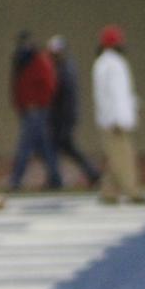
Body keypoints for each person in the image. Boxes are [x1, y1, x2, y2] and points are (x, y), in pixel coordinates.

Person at [93, 23, 145, 204]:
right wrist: (117, 118)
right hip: (115, 120)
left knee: (115, 157)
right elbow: (113, 94)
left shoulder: (106, 63)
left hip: (113, 118)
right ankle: (133, 191)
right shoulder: (111, 64)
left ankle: (109, 191)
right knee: (123, 157)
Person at [7, 29, 61, 191]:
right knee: (43, 146)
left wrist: (37, 103)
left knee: (25, 145)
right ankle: (56, 178)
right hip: (27, 109)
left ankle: (15, 180)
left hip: (36, 110)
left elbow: (49, 85)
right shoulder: (21, 62)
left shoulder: (38, 61)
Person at [46, 35, 101, 187]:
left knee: (63, 147)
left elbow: (66, 97)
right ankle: (57, 178)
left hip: (64, 117)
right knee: (59, 147)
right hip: (60, 116)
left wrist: (66, 119)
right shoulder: (59, 67)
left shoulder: (66, 69)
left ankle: (58, 179)